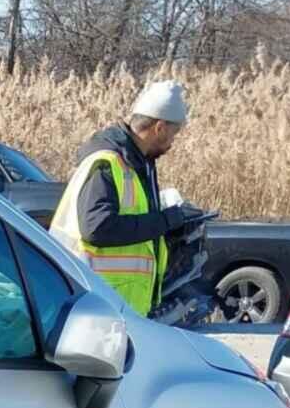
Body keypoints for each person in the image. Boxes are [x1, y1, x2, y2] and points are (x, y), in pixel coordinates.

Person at [49, 80, 197, 317]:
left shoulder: (139, 162)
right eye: (174, 133)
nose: (173, 142)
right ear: (159, 127)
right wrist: (165, 221)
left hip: (118, 304)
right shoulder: (108, 162)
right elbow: (97, 228)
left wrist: (173, 225)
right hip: (95, 304)